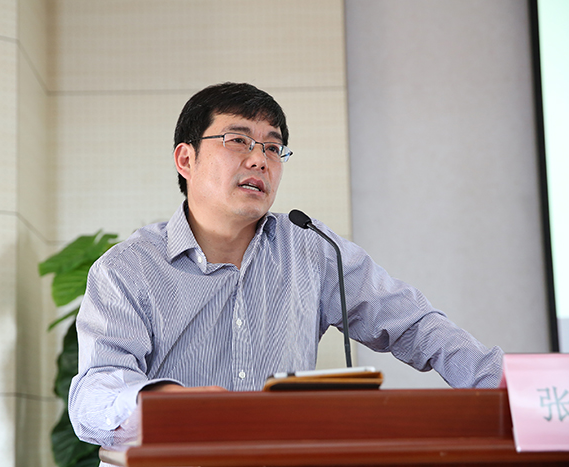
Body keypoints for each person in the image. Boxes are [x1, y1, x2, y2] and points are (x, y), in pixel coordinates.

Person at [68, 82, 504, 448]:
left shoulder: (312, 249)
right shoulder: (127, 269)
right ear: (186, 159)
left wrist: (509, 389)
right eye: (238, 140)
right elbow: (95, 392)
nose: (260, 159)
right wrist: (164, 405)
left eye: (273, 148)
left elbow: (415, 325)